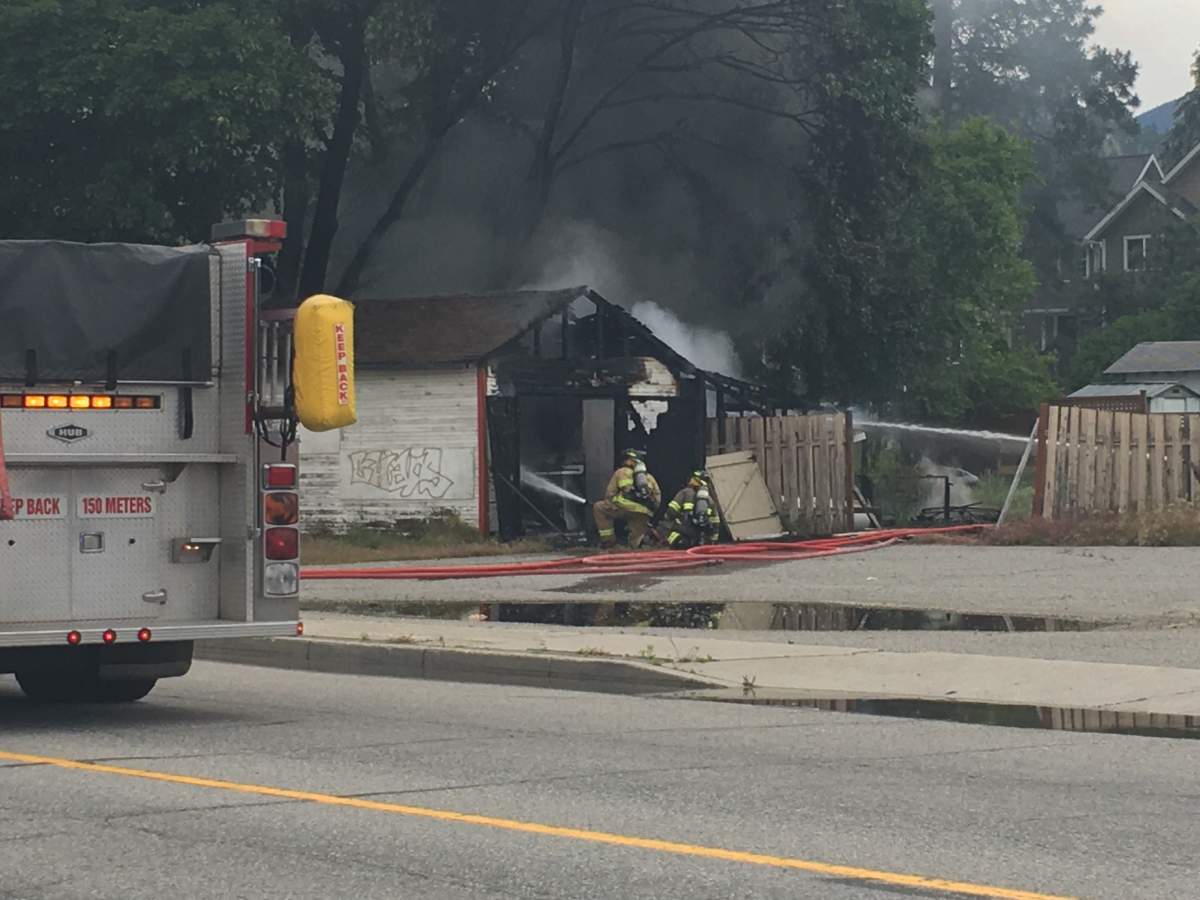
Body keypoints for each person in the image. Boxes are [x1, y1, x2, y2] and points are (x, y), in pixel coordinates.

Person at [593, 449, 661, 548]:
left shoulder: (622, 472)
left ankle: (608, 541)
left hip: (624, 507)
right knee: (635, 543)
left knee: (599, 507)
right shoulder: (650, 477)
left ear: (630, 460)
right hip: (645, 512)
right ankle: (643, 540)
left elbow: (610, 493)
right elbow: (657, 499)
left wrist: (611, 503)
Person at [664, 470, 721, 549]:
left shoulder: (685, 493)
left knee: (669, 534)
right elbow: (715, 522)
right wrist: (713, 541)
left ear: (695, 480)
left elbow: (671, 512)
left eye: (693, 478)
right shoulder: (709, 500)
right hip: (698, 539)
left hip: (681, 535)